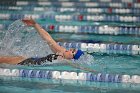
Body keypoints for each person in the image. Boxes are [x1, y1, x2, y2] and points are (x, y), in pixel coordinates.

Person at [0, 17, 84, 65]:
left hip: (28, 62)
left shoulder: (65, 61)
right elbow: (48, 38)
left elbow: (79, 67)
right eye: (72, 49)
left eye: (72, 52)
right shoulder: (61, 51)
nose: (70, 50)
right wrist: (35, 24)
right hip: (29, 60)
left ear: (72, 59)